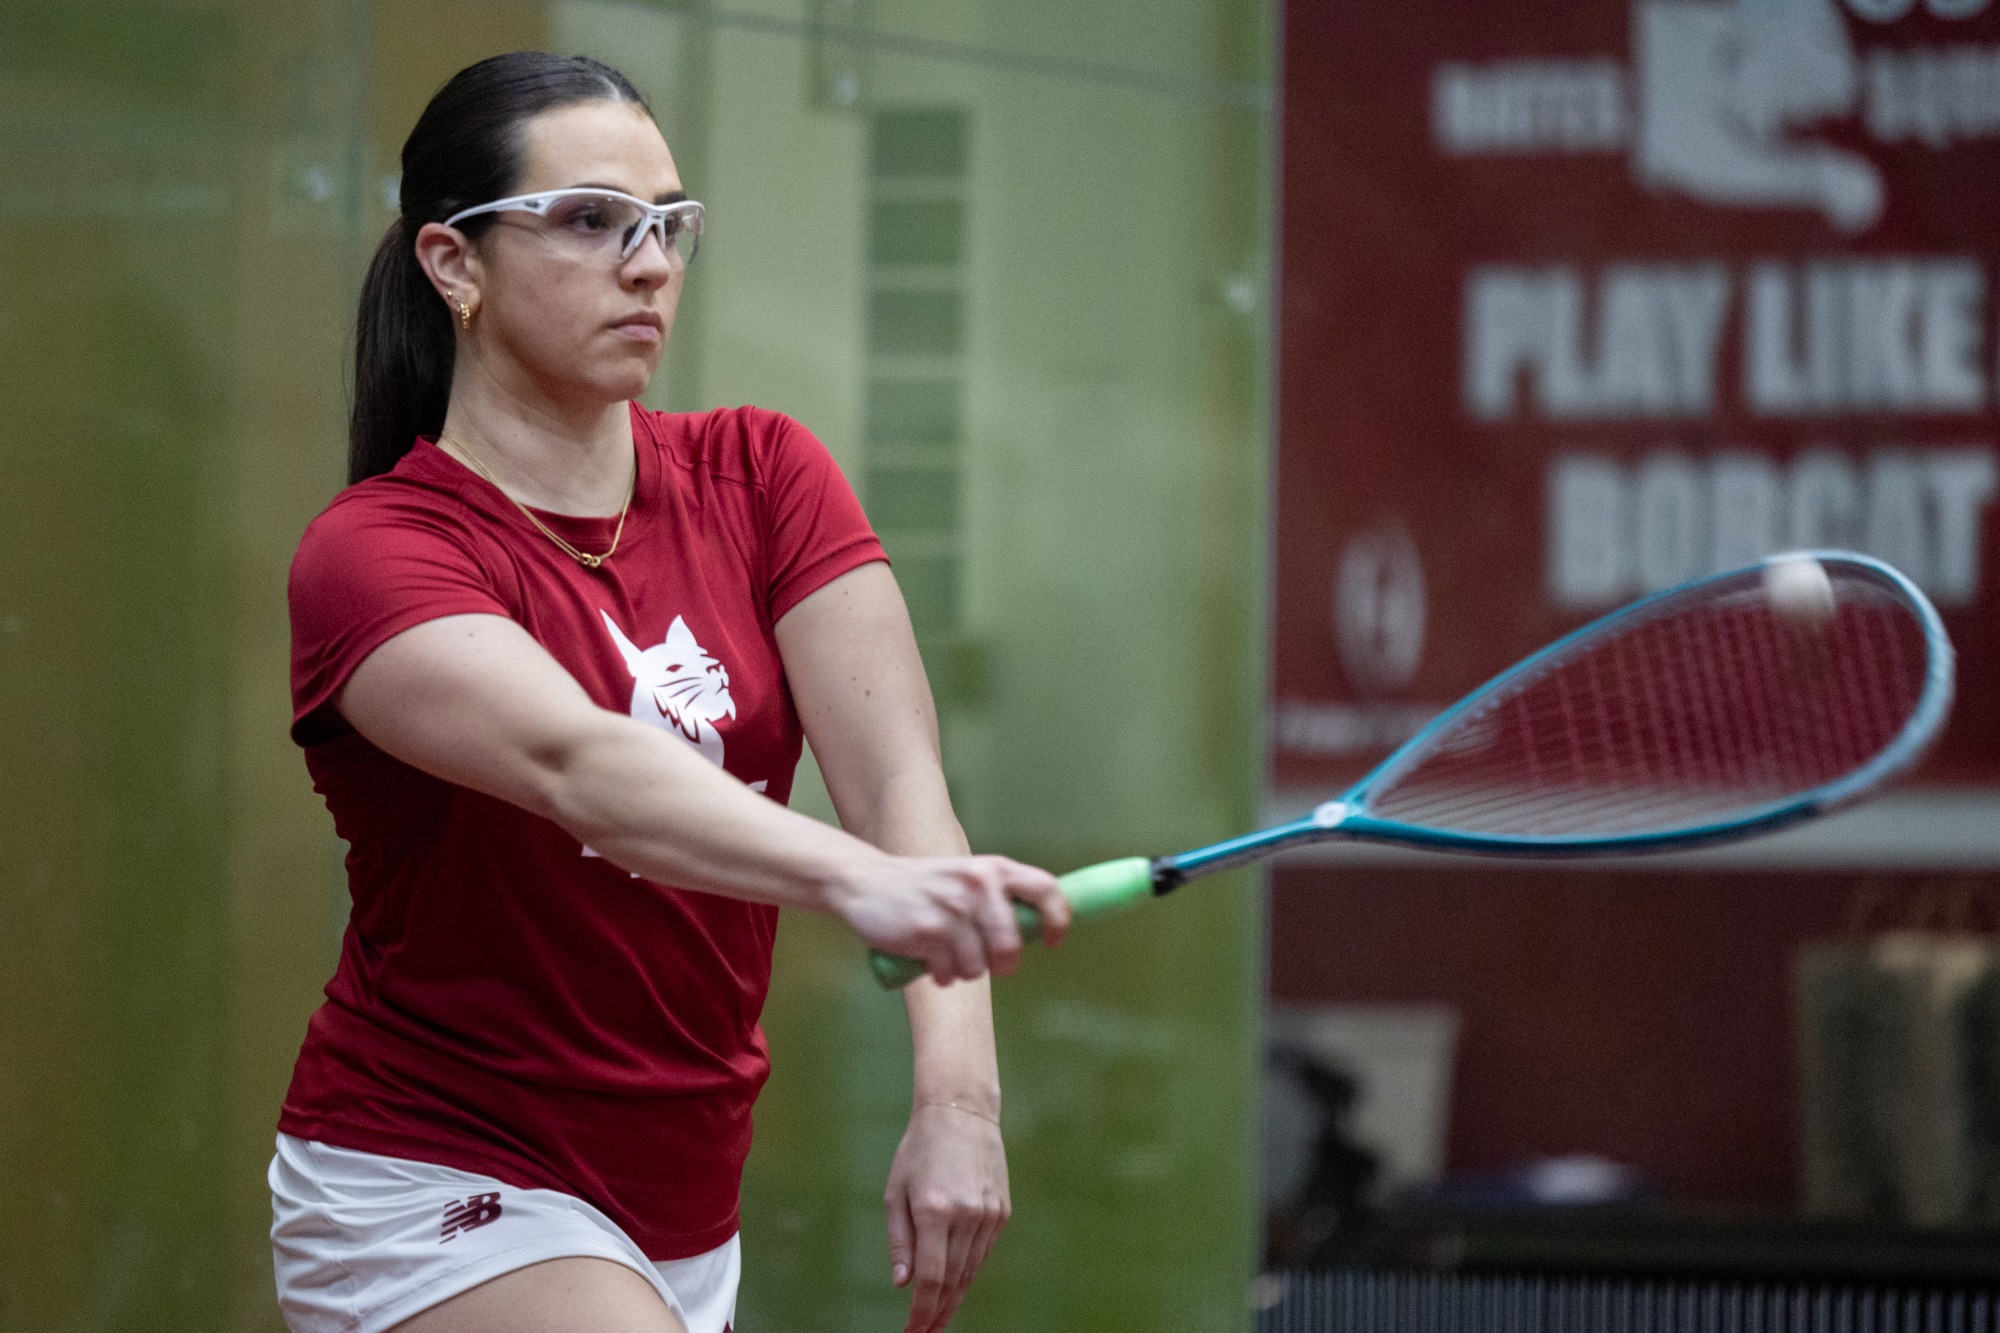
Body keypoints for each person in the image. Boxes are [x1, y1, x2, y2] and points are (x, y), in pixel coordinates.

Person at [267, 51, 1069, 1333]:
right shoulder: (375, 556)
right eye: (589, 220)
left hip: (687, 1213)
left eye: (667, 226)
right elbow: (581, 768)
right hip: (439, 1179)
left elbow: (900, 790)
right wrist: (855, 883)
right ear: (452, 263)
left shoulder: (765, 475)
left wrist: (957, 1105)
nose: (647, 265)